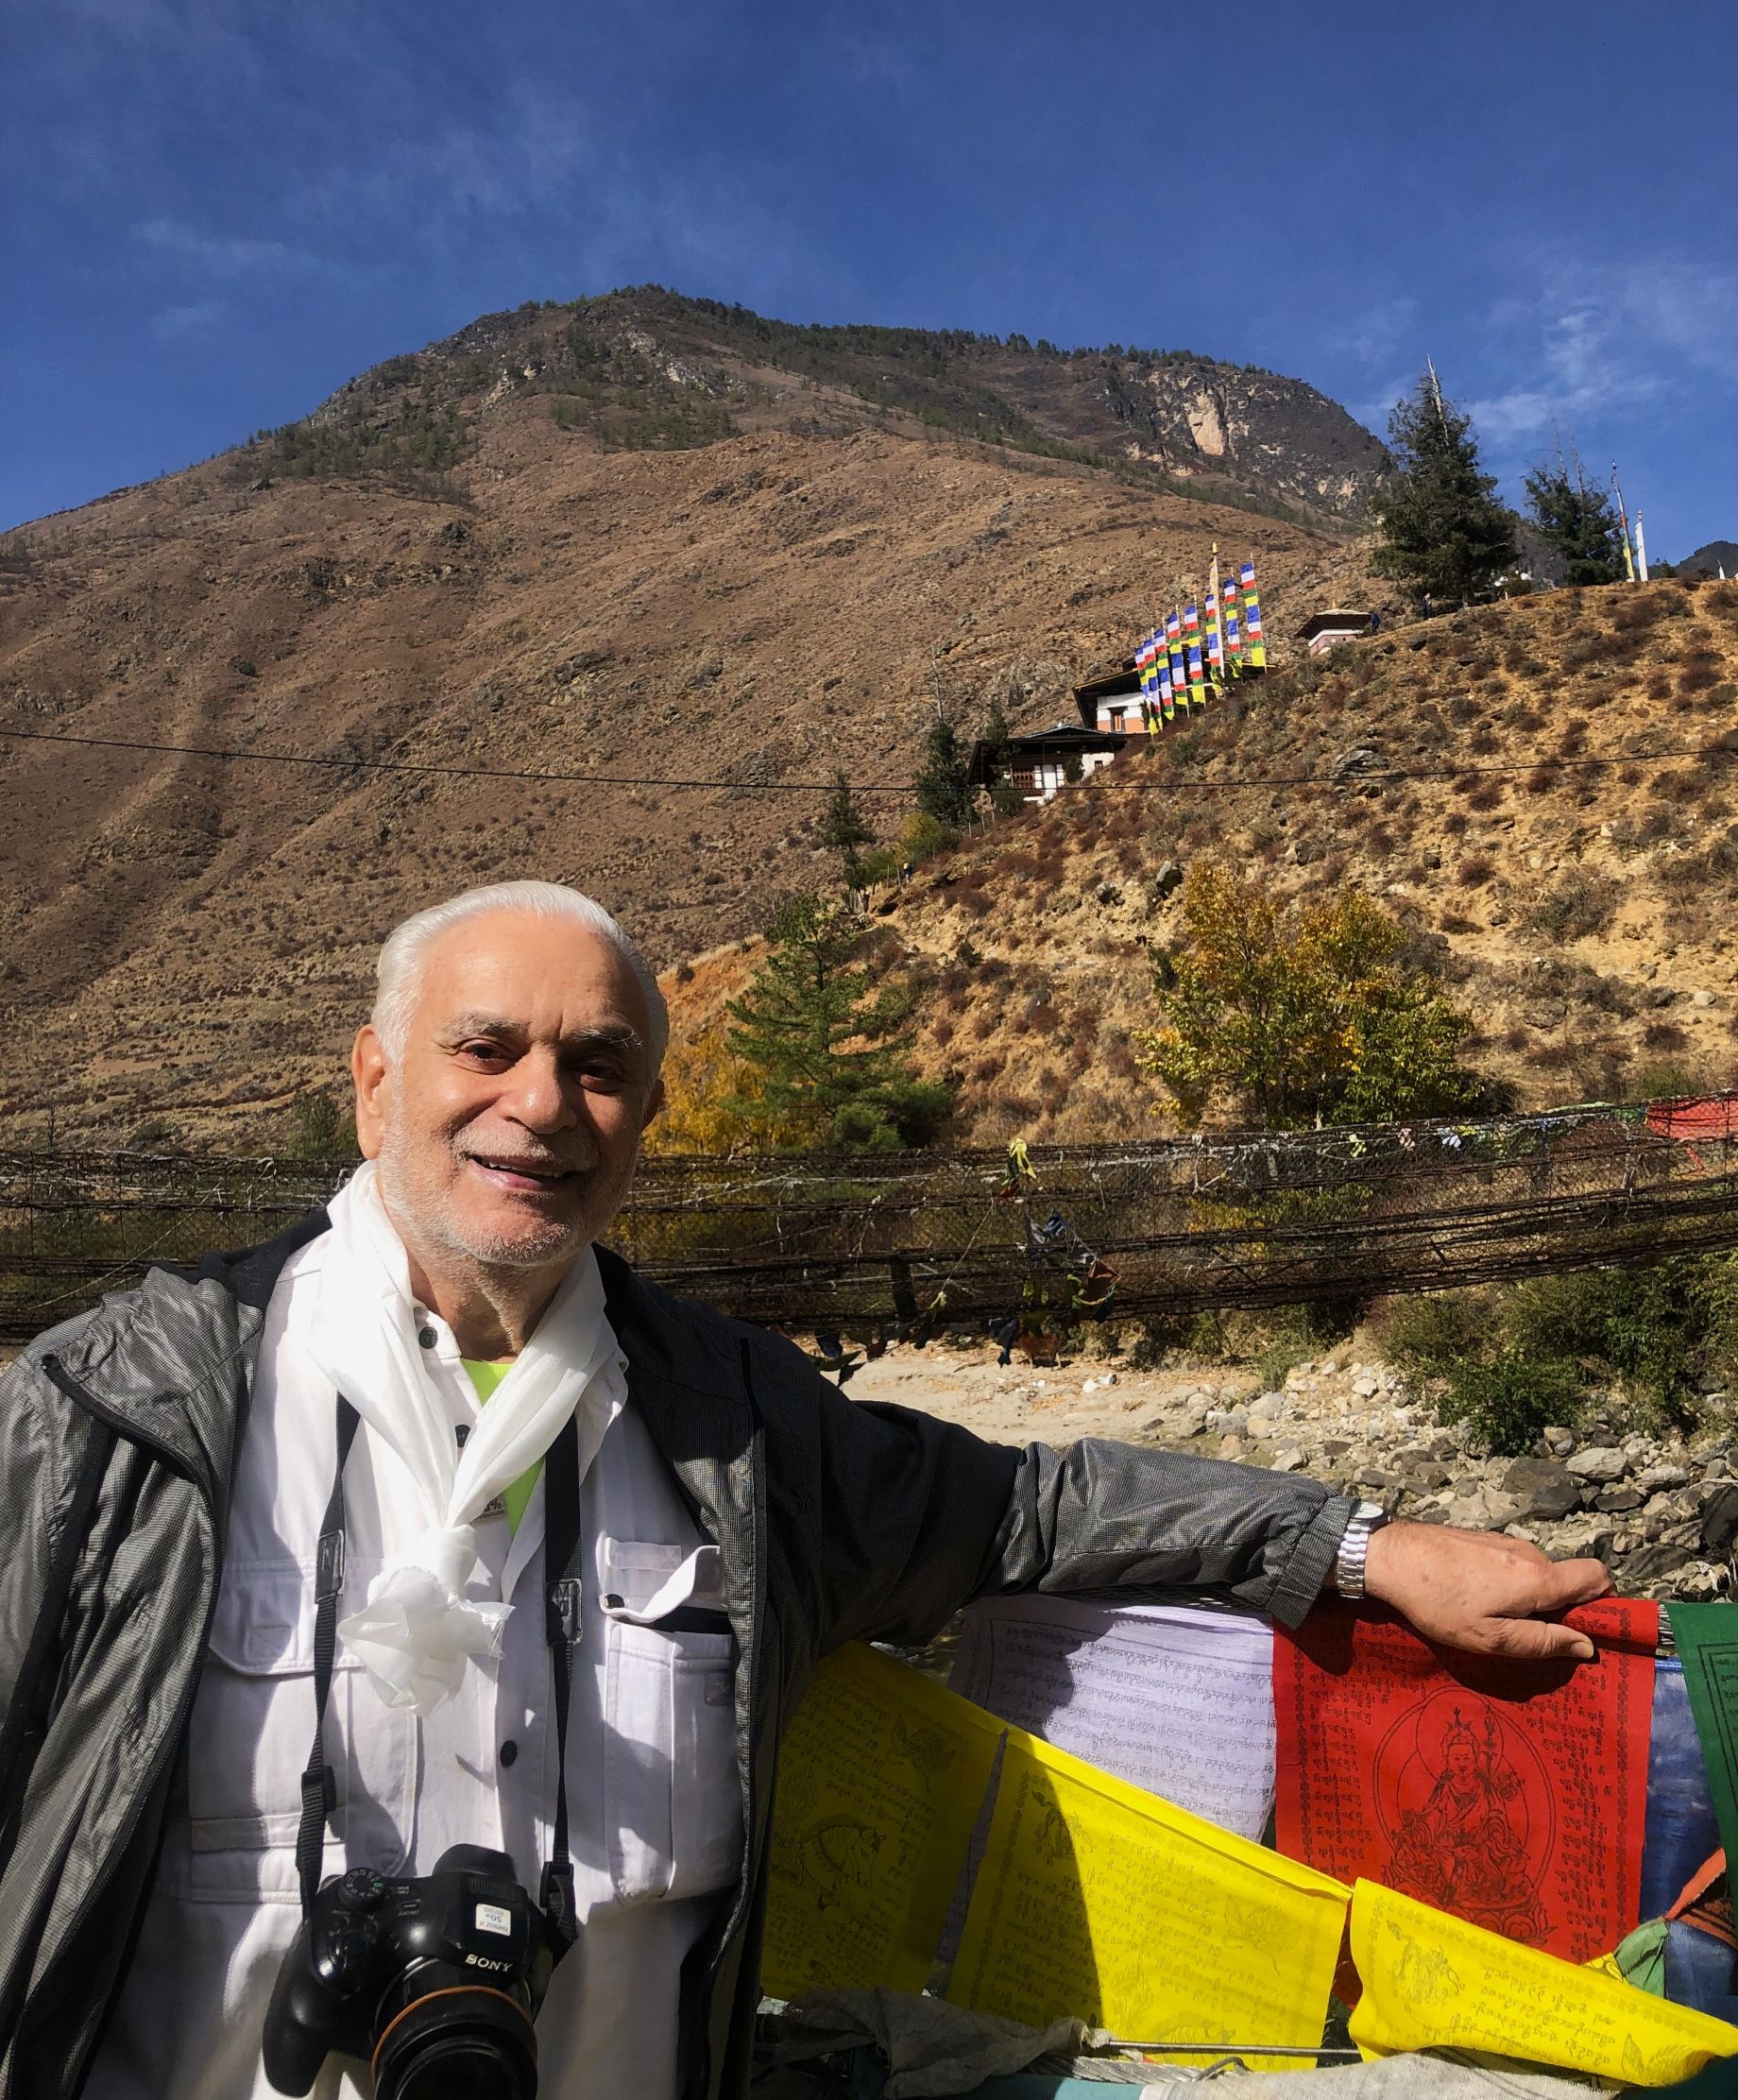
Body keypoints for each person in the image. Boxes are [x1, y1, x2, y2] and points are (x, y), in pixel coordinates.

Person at [0, 880, 1614, 2100]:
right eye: (484, 1048)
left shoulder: (737, 1433)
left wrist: (1356, 1544)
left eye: (601, 1063)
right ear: (371, 1080)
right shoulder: (117, 1420)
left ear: (645, 1115)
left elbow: (1025, 1510)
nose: (543, 1105)